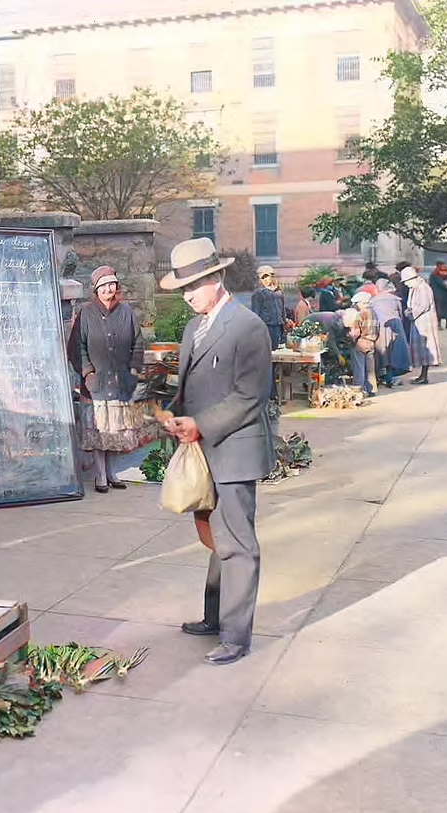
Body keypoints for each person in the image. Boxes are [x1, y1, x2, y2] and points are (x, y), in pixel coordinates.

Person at [159, 237, 274, 667]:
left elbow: (251, 396)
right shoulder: (195, 327)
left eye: (194, 285)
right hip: (202, 450)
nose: (188, 295)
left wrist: (201, 424)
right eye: (182, 288)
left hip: (235, 451)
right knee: (214, 537)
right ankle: (214, 617)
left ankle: (236, 636)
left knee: (238, 544)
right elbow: (188, 386)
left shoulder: (248, 327)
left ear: (217, 278)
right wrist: (173, 413)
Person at [71, 265, 148, 493]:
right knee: (98, 430)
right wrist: (87, 372)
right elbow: (77, 346)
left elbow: (138, 342)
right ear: (96, 289)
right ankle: (100, 475)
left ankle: (113, 472)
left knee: (116, 430)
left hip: (120, 381)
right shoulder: (86, 313)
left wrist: (133, 370)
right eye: (104, 286)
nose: (109, 289)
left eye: (112, 284)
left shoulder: (126, 312)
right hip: (95, 382)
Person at [402, 266, 440, 384]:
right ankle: (422, 375)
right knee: (420, 349)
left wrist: (410, 314)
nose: (406, 284)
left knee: (425, 348)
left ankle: (424, 376)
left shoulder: (423, 288)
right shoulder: (415, 288)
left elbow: (422, 306)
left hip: (425, 321)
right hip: (418, 321)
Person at [369, 282, 410, 387]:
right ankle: (393, 376)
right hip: (396, 325)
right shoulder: (395, 299)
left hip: (381, 326)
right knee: (396, 352)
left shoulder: (373, 300)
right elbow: (401, 314)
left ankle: (385, 376)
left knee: (383, 353)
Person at [347, 293, 380, 396]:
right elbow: (378, 329)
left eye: (357, 303)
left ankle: (359, 390)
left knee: (359, 368)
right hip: (371, 342)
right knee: (370, 369)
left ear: (361, 303)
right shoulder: (374, 313)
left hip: (361, 342)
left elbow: (355, 333)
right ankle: (372, 389)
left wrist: (350, 338)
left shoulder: (360, 314)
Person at [251, 265, 286, 349]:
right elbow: (256, 311)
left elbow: (282, 307)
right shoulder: (258, 293)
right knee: (267, 347)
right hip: (267, 325)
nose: (265, 280)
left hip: (278, 324)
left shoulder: (278, 291)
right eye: (262, 278)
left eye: (267, 277)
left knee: (276, 347)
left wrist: (284, 320)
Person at [430, 261, 447, 330]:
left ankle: (445, 323)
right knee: (439, 309)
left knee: (443, 309)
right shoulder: (435, 274)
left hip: (445, 294)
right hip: (439, 294)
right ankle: (440, 323)